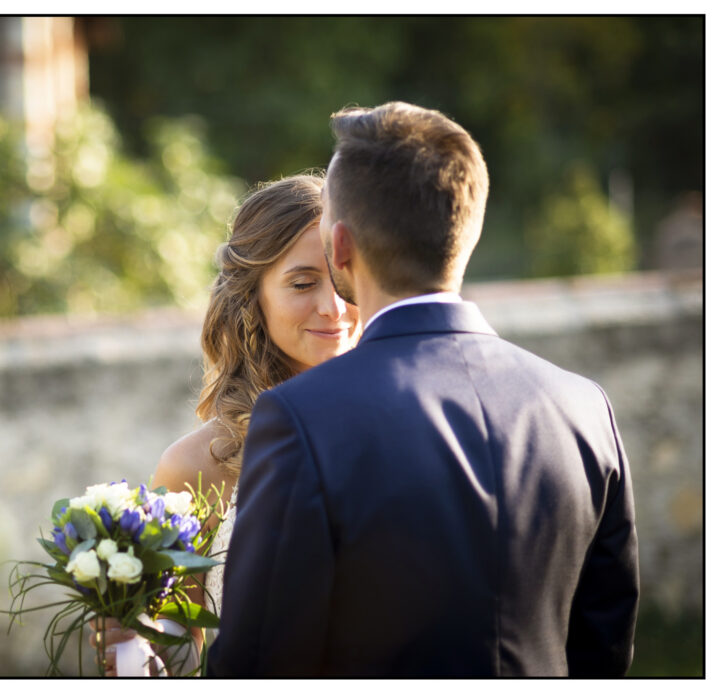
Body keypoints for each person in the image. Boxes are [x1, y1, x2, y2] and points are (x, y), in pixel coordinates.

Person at [206, 102, 639, 676]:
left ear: (339, 249)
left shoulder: (302, 417)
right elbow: (605, 648)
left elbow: (259, 664)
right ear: (469, 233)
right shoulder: (585, 406)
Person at [90, 174, 361, 675]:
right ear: (252, 295)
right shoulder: (197, 466)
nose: (334, 308)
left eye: (346, 282)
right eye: (303, 284)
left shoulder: (414, 425)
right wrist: (131, 649)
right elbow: (179, 652)